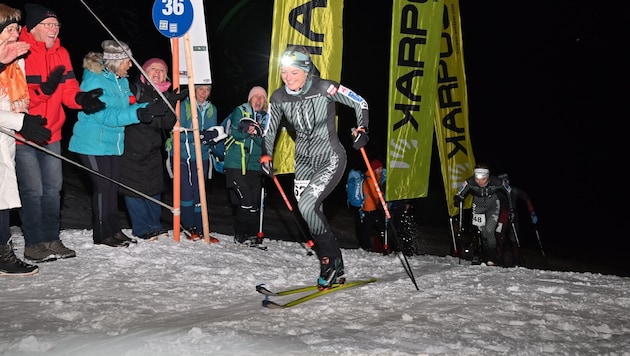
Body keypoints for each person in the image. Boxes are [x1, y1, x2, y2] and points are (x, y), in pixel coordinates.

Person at [262, 45, 370, 289]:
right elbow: (270, 131)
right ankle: (338, 264)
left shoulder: (324, 87)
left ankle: (328, 264)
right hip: (302, 162)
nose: (288, 79)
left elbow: (359, 102)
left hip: (329, 157)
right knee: (310, 213)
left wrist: (362, 129)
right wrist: (265, 155)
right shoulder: (279, 97)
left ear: (306, 70)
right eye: (284, 73)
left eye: (294, 73)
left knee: (307, 205)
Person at [16, 3, 105, 262]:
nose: (54, 29)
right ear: (33, 27)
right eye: (49, 24)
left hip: (53, 134)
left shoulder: (61, 53)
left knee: (53, 188)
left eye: (56, 25)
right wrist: (44, 90)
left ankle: (52, 238)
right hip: (25, 135)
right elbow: (18, 99)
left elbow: (68, 90)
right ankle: (34, 242)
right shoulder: (19, 53)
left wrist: (81, 99)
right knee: (32, 190)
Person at [68, 40, 167, 248]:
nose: (130, 66)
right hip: (92, 142)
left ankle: (114, 230)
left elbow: (132, 104)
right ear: (116, 61)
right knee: (103, 187)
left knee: (113, 187)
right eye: (127, 62)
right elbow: (104, 115)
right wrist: (137, 114)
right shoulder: (94, 80)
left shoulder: (121, 81)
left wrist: (155, 105)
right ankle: (103, 234)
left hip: (113, 143)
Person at [0, 3, 51, 275]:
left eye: (16, 28)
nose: (14, 34)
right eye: (8, 28)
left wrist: (26, 118)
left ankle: (3, 254)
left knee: (3, 202)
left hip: (5, 139)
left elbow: (16, 97)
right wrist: (21, 122)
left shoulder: (14, 59)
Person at [119, 58, 183, 241]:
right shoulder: (134, 89)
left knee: (154, 187)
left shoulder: (164, 94)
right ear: (144, 72)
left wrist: (171, 104)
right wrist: (165, 102)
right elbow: (138, 113)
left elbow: (167, 123)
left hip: (153, 149)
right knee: (133, 189)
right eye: (153, 69)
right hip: (131, 147)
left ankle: (155, 224)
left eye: (161, 70)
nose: (157, 72)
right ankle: (141, 228)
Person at [171, 83, 219, 241]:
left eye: (207, 90)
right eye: (200, 89)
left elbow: (211, 133)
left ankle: (201, 227)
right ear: (194, 90)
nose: (204, 93)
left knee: (200, 193)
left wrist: (213, 137)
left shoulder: (211, 109)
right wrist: (200, 136)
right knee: (187, 191)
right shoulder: (183, 106)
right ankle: (187, 226)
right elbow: (179, 133)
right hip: (183, 154)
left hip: (202, 156)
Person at [223, 86, 269, 247]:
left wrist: (256, 134)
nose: (258, 100)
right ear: (250, 99)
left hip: (254, 166)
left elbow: (264, 142)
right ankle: (240, 234)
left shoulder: (266, 117)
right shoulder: (240, 110)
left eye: (262, 98)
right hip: (236, 163)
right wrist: (248, 132)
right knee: (246, 200)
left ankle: (250, 234)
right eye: (255, 97)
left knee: (254, 203)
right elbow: (235, 132)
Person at [454, 164, 510, 266]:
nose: (479, 182)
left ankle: (492, 258)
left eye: (483, 179)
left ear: (488, 176)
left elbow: (509, 191)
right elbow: (459, 193)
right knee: (483, 233)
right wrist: (458, 199)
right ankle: (484, 256)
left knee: (489, 230)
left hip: (493, 205)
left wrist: (511, 209)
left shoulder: (497, 181)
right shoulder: (469, 182)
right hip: (478, 206)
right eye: (477, 178)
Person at [496, 173, 538, 267]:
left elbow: (526, 198)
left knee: (514, 240)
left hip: (513, 216)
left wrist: (532, 213)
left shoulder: (514, 190)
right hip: (501, 217)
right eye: (502, 182)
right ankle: (499, 261)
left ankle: (516, 262)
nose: (504, 184)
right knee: (500, 239)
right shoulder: (497, 192)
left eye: (505, 181)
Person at [357, 159, 385, 252]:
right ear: (374, 169)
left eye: (381, 168)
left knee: (369, 228)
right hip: (369, 208)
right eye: (379, 168)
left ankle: (366, 247)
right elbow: (374, 193)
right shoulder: (370, 178)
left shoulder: (374, 177)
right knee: (369, 229)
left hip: (372, 207)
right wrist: (383, 193)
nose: (381, 170)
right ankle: (366, 247)